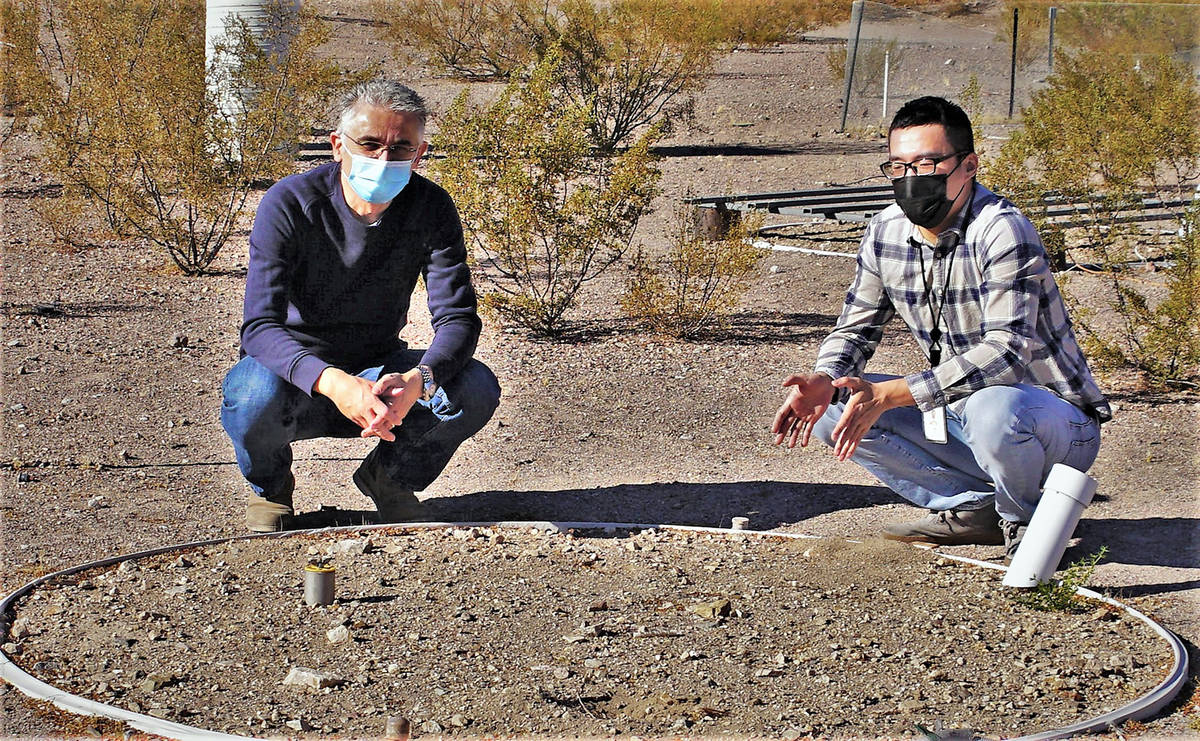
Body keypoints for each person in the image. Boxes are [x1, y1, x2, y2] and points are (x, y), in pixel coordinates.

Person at [771, 96, 1110, 559]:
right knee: (834, 406)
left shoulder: (1002, 230)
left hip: (1053, 426)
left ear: (968, 165)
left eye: (928, 164)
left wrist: (893, 393)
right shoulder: (886, 231)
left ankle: (1025, 524)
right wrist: (825, 377)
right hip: (963, 414)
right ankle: (974, 509)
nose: (913, 181)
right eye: (899, 167)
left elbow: (1007, 352)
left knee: (994, 407)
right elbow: (855, 328)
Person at [221, 79, 501, 532]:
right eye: (369, 145)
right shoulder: (290, 202)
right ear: (337, 146)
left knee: (474, 387)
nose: (383, 159)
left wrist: (418, 380)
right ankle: (272, 490)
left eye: (400, 148)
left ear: (420, 153)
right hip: (293, 377)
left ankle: (389, 478)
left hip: (379, 369)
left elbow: (458, 318)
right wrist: (332, 381)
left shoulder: (430, 207)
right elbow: (259, 328)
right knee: (251, 394)